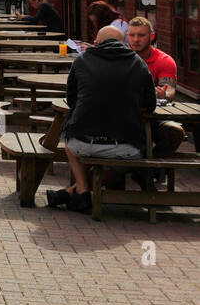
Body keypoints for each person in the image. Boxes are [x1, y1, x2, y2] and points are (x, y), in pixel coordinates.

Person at [46, 26, 155, 212]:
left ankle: (80, 191)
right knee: (141, 151)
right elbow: (150, 104)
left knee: (68, 141)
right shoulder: (138, 63)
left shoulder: (81, 61)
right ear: (124, 43)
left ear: (96, 43)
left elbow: (71, 100)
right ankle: (78, 192)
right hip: (126, 147)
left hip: (82, 143)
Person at [125, 16, 185, 157]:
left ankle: (148, 168)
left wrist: (164, 94)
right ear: (127, 36)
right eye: (132, 35)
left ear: (151, 36)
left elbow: (169, 90)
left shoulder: (164, 60)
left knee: (175, 132)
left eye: (141, 35)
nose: (136, 40)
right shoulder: (120, 57)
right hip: (125, 116)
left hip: (155, 117)